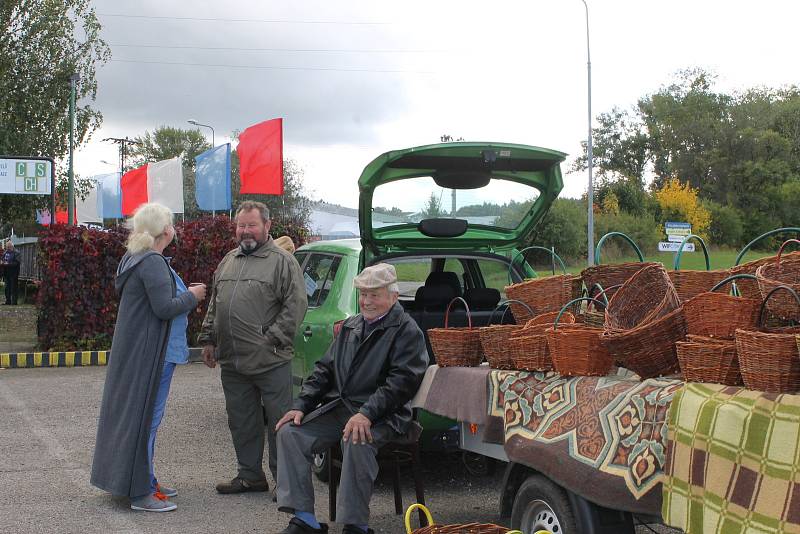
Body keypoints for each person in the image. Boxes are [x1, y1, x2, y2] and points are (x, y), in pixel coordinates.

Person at [274, 263, 429, 534]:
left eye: (374, 295)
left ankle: (355, 525)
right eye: (363, 294)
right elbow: (324, 370)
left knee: (356, 438)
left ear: (393, 297)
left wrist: (367, 414)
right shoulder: (351, 325)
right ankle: (305, 520)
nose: (367, 302)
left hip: (385, 415)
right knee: (289, 432)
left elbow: (401, 384)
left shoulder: (407, 330)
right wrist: (300, 406)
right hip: (343, 408)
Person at [90, 203, 207, 512]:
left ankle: (144, 479)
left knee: (140, 419)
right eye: (171, 223)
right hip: (154, 354)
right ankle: (141, 491)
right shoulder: (152, 260)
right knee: (147, 421)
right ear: (165, 229)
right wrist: (193, 296)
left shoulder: (133, 257)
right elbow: (164, 307)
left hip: (143, 351)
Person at [198, 201, 307, 499]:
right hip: (233, 362)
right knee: (242, 422)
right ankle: (249, 476)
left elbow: (296, 305)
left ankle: (285, 483)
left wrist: (271, 339)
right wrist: (208, 339)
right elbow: (215, 303)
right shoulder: (228, 260)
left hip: (270, 361)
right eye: (241, 225)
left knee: (281, 424)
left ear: (267, 226)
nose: (245, 231)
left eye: (252, 225)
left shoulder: (283, 262)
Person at [2, 240, 21, 305]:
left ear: (12, 246)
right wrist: (2, 262)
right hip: (6, 272)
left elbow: (17, 263)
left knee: (13, 288)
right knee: (7, 288)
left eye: (9, 247)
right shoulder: (5, 253)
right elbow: (3, 259)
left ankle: (14, 302)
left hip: (14, 273)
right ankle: (8, 301)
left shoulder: (16, 252)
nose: (8, 248)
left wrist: (8, 264)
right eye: (7, 247)